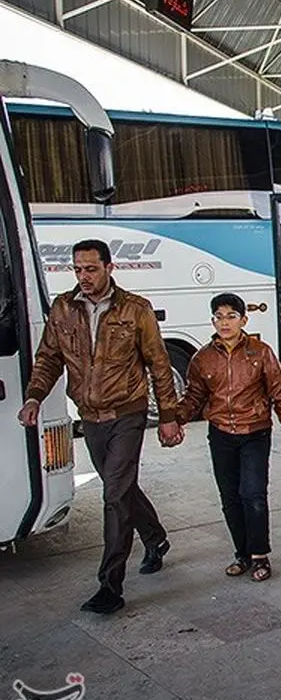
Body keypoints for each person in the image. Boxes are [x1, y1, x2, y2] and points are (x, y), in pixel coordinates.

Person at [18, 239, 182, 614]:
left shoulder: (135, 309)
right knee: (119, 488)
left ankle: (110, 586)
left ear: (109, 268)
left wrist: (169, 417)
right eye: (77, 269)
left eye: (91, 269)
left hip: (127, 414)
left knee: (113, 497)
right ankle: (155, 538)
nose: (83, 276)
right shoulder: (63, 309)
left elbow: (159, 364)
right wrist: (33, 397)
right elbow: (48, 359)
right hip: (90, 419)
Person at [175, 293, 281, 582]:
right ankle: (242, 554)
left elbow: (280, 391)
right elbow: (194, 396)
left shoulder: (261, 352)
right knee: (230, 497)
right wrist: (175, 420)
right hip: (220, 435)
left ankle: (260, 555)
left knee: (253, 494)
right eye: (219, 317)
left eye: (231, 316)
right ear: (212, 321)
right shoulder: (202, 358)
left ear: (243, 320)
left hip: (255, 432)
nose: (224, 322)